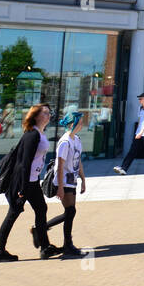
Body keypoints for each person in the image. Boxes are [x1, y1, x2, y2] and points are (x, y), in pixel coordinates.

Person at [0, 104, 58, 262]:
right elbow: (24, 163)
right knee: (13, 213)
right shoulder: (32, 134)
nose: (48, 115)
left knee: (41, 209)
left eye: (49, 113)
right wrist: (22, 188)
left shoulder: (40, 133)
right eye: (45, 113)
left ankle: (45, 247)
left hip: (32, 181)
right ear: (36, 116)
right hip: (22, 182)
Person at [46, 110, 89, 258]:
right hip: (64, 181)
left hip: (72, 180)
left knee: (70, 212)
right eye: (80, 122)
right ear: (73, 124)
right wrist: (60, 188)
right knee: (70, 212)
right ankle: (67, 244)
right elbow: (59, 165)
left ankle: (44, 230)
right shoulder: (65, 142)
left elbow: (78, 161)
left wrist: (83, 179)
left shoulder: (76, 139)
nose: (82, 124)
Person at [113, 92, 144, 175]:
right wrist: (138, 131)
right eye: (139, 99)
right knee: (132, 151)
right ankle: (124, 168)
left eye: (141, 99)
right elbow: (140, 120)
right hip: (139, 133)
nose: (140, 100)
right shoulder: (140, 108)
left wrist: (141, 132)